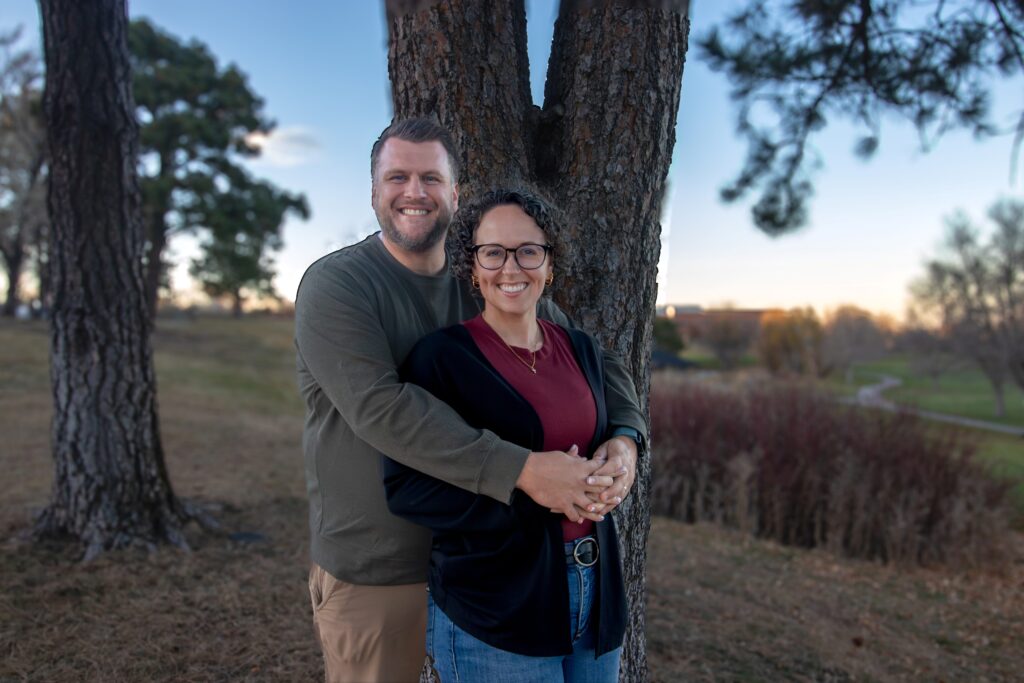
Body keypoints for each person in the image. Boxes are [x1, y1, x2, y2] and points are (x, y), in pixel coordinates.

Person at [294, 117, 646, 683]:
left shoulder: (489, 276)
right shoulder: (339, 285)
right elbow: (384, 409)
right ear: (374, 191)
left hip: (490, 561)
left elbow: (590, 360)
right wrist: (524, 469)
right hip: (383, 564)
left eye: (431, 178)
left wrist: (625, 438)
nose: (414, 192)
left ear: (455, 194)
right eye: (398, 177)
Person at [383, 187, 630, 682]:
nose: (511, 268)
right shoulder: (441, 359)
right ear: (473, 267)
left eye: (528, 251)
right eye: (493, 252)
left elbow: (613, 423)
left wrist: (622, 449)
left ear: (549, 263)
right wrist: (529, 489)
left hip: (596, 595)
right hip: (496, 609)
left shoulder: (581, 349)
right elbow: (407, 490)